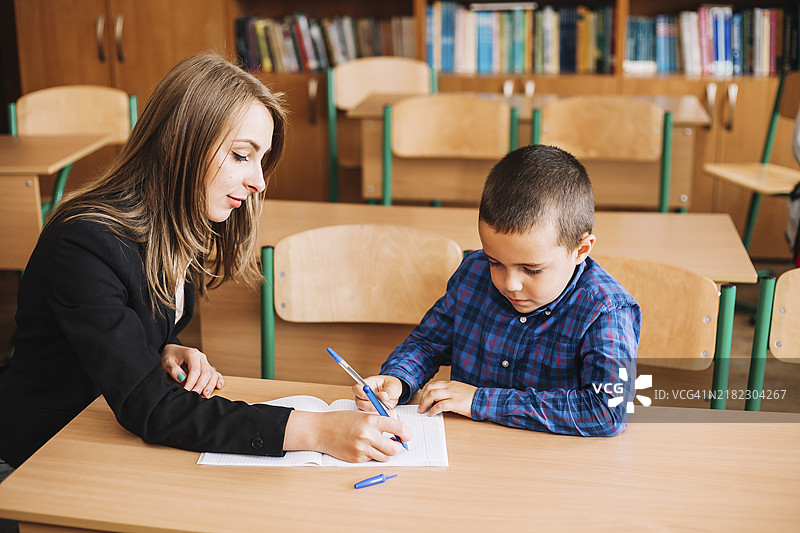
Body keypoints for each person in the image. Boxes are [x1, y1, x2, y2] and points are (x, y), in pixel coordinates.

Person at [0, 53, 410, 481]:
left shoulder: (181, 221)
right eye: (240, 155)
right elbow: (150, 406)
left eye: (260, 159)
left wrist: (161, 347)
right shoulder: (83, 242)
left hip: (102, 439)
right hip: (36, 457)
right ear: (179, 143)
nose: (259, 183)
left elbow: (113, 328)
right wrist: (318, 430)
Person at [355, 144, 641, 437]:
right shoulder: (473, 273)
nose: (510, 284)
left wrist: (481, 401)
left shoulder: (606, 311)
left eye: (532, 270)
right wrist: (398, 379)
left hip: (554, 468)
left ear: (581, 249)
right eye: (495, 262)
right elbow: (427, 343)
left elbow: (608, 411)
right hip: (470, 451)